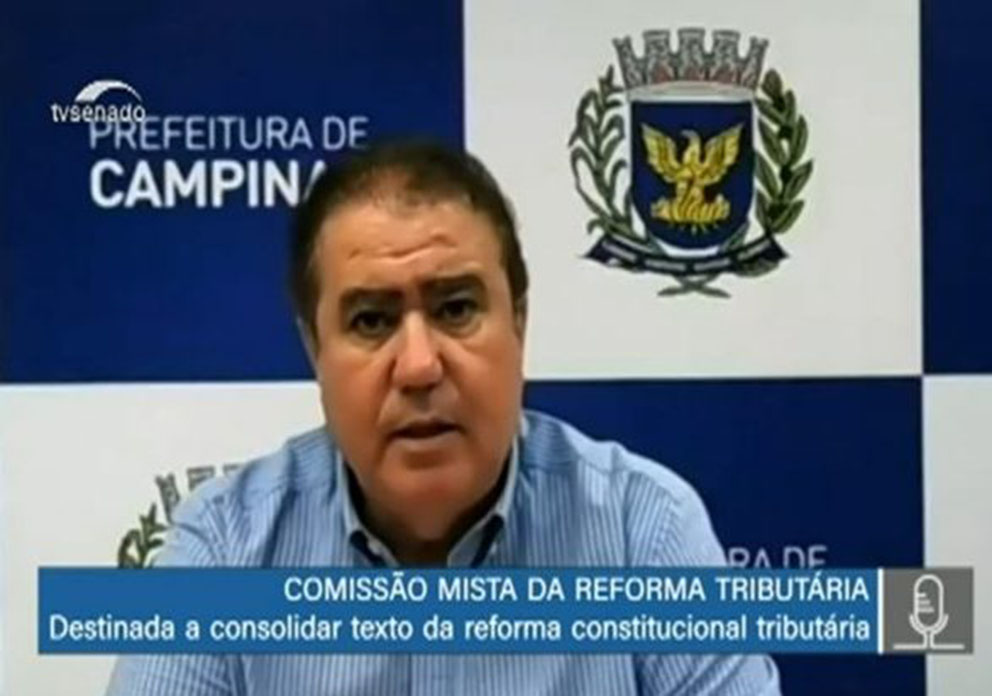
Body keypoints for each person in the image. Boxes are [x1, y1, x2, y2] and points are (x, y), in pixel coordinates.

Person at [107, 141, 780, 695]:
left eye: (456, 309)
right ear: (315, 350)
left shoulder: (644, 532)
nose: (420, 366)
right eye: (371, 321)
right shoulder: (225, 550)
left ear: (519, 323)